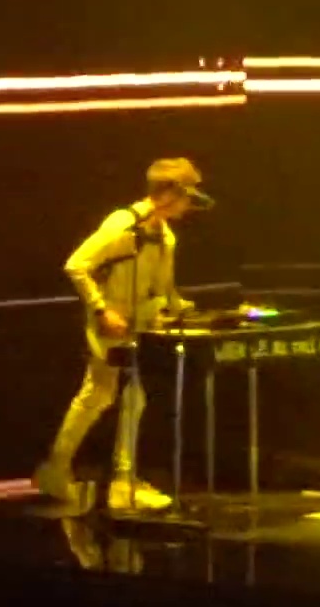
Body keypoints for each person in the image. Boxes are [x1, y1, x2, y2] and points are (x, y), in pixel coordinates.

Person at [34, 158, 211, 511]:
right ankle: (59, 468)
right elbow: (77, 265)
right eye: (185, 198)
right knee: (98, 394)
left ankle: (121, 478)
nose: (188, 207)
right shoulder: (122, 225)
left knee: (132, 398)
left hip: (137, 322)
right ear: (168, 194)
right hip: (110, 321)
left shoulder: (166, 237)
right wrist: (101, 309)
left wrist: (193, 312)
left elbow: (165, 290)